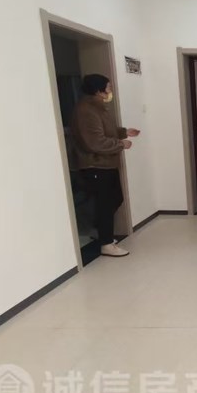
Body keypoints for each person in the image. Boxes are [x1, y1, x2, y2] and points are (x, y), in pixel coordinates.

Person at [71, 74, 140, 257]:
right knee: (105, 204)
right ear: (98, 90)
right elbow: (94, 142)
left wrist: (124, 132)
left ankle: (101, 232)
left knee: (115, 198)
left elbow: (106, 130)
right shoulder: (86, 110)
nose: (110, 90)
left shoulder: (99, 107)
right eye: (108, 87)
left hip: (107, 164)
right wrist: (120, 144)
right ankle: (106, 244)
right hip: (95, 165)